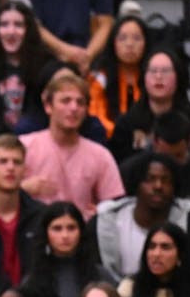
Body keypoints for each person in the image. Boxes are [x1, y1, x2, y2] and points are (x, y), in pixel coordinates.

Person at [90, 153, 190, 283]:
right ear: (137, 184)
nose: (158, 186)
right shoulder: (106, 222)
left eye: (165, 180)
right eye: (150, 179)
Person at [19, 71, 124, 221]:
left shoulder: (101, 155)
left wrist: (101, 212)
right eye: (65, 101)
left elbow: (114, 206)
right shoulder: (24, 147)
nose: (74, 108)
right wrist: (24, 189)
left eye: (80, 102)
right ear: (48, 106)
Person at [23, 202, 113, 297]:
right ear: (45, 233)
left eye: (71, 228)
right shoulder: (32, 280)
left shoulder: (100, 275)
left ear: (81, 231)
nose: (65, 235)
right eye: (57, 229)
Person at [109, 48, 190, 164]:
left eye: (165, 71)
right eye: (153, 71)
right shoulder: (127, 123)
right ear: (144, 78)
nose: (159, 76)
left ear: (178, 77)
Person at [119, 110, 190, 222]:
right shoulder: (131, 171)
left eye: (178, 156)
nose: (171, 165)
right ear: (155, 141)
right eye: (165, 157)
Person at [0, 1, 54, 133]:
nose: (11, 32)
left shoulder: (45, 65)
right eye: (4, 25)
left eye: (18, 25)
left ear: (29, 30)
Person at [0, 133, 43, 285]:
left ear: (25, 170)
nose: (10, 167)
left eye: (17, 162)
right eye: (2, 161)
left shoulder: (41, 216)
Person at [21, 0, 114, 75]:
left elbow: (105, 23)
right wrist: (65, 51)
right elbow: (32, 23)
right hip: (46, 55)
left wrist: (87, 56)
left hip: (87, 56)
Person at [87, 14, 147, 138]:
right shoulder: (100, 77)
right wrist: (123, 134)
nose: (129, 44)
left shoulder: (153, 75)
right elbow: (95, 115)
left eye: (137, 38)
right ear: (113, 43)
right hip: (109, 141)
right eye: (122, 38)